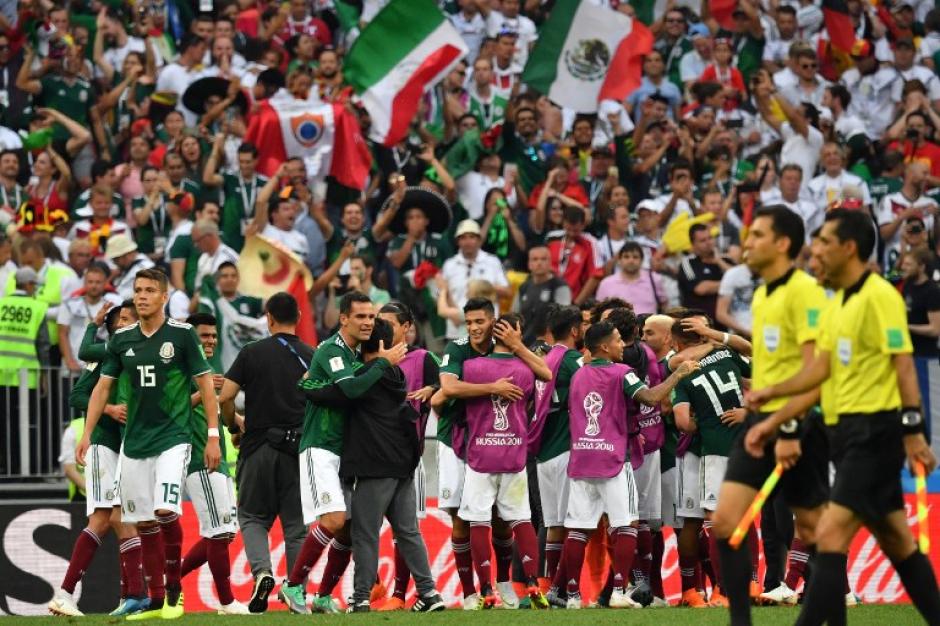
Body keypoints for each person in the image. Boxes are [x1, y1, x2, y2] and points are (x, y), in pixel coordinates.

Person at [748, 208, 940, 625]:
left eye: (824, 243)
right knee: (899, 542)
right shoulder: (835, 304)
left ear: (849, 248)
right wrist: (772, 403)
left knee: (828, 535)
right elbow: (820, 371)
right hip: (843, 433)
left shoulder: (880, 296)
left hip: (874, 432)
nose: (815, 251)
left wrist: (913, 430)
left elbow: (903, 365)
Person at [710, 206, 831, 625]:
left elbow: (815, 373)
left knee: (814, 532)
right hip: (760, 420)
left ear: (782, 243)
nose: (748, 243)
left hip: (800, 423)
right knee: (726, 522)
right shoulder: (762, 296)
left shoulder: (807, 293)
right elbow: (771, 364)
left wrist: (789, 427)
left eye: (758, 234)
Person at [76, 268, 220, 620]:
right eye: (138, 290)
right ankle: (156, 602)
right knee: (143, 523)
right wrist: (86, 434)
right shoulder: (122, 340)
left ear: (164, 297)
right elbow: (102, 389)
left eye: (149, 290)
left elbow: (205, 384)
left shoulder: (182, 335)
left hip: (173, 438)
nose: (141, 296)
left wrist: (213, 435)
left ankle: (174, 591)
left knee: (165, 511)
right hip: (134, 443)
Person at [301, 317, 445, 614]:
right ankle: (429, 593)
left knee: (364, 533)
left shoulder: (364, 376)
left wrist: (307, 383)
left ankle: (361, 597)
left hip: (375, 465)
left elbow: (335, 392)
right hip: (403, 464)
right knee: (408, 532)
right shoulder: (397, 375)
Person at [280, 291, 406, 614]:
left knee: (348, 529)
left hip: (346, 451)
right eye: (360, 316)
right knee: (334, 520)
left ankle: (323, 596)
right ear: (344, 318)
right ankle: (293, 585)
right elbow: (350, 389)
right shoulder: (331, 349)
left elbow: (344, 387)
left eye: (371, 316)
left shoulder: (355, 353)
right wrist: (383, 363)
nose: (368, 322)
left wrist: (311, 384)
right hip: (320, 446)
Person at [559, 321, 697, 609]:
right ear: (604, 346)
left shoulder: (579, 374)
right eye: (618, 340)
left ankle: (571, 596)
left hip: (582, 458)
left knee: (579, 528)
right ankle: (620, 591)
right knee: (628, 524)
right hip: (613, 460)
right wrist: (679, 374)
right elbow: (651, 397)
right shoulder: (622, 372)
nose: (623, 345)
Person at [217, 291, 313, 613]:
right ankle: (296, 592)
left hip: (258, 447)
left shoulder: (252, 352)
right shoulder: (312, 356)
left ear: (268, 318)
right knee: (296, 527)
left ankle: (262, 572)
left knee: (252, 517)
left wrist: (233, 425)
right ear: (298, 318)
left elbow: (225, 397)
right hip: (298, 450)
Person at [50, 301, 141, 617]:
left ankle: (130, 597)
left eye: (130, 319)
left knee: (126, 519)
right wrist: (109, 409)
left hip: (132, 447)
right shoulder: (106, 355)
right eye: (121, 319)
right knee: (106, 518)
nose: (124, 323)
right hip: (105, 445)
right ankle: (66, 593)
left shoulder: (143, 354)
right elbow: (77, 395)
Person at [456, 313, 551, 610]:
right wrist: (520, 348)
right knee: (521, 519)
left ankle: (486, 588)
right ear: (516, 333)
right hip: (514, 454)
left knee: (479, 520)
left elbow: (450, 393)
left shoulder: (471, 367)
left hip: (480, 455)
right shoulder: (526, 369)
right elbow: (546, 376)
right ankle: (533, 582)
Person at [671, 317, 751, 607]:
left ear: (676, 342)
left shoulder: (681, 370)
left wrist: (703, 425)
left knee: (712, 520)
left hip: (713, 449)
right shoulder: (726, 352)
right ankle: (749, 584)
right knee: (742, 518)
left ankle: (723, 591)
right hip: (744, 445)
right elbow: (755, 366)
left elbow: (683, 422)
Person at [178, 312, 249, 614]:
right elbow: (170, 412)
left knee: (224, 533)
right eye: (203, 336)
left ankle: (170, 579)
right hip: (198, 459)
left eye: (213, 336)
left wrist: (238, 421)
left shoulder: (206, 369)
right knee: (219, 532)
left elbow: (212, 412)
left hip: (216, 460)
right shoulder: (180, 369)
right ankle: (227, 602)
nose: (210, 341)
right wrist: (204, 391)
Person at [375, 302, 440, 611]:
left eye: (389, 323)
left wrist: (432, 389)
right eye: (380, 322)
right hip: (372, 456)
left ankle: (400, 594)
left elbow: (446, 381)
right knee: (357, 524)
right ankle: (372, 584)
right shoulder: (370, 357)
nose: (382, 328)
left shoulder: (423, 358)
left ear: (406, 327)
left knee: (405, 529)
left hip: (408, 457)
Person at [534, 306, 585, 605]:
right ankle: (564, 589)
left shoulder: (545, 359)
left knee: (554, 524)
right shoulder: (573, 360)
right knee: (573, 524)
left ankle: (553, 588)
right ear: (575, 331)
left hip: (544, 452)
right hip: (567, 448)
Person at [0, 267, 50, 476]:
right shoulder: (37, 307)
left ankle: (5, 466)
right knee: (25, 425)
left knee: (4, 424)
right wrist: (45, 376)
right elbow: (43, 345)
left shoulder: (1, 304)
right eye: (34, 285)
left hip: (2, 374)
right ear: (28, 285)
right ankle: (24, 468)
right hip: (26, 377)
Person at [901, 248, 940, 453]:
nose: (904, 267)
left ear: (922, 266)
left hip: (927, 357)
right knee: (912, 404)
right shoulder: (908, 286)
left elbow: (935, 329)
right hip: (910, 355)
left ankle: (935, 453)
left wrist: (907, 327)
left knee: (930, 406)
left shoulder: (932, 291)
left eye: (909, 264)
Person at [56, 263, 122, 372]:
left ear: (105, 283)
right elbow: (62, 334)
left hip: (100, 368)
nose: (94, 286)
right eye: (90, 282)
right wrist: (69, 361)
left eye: (98, 282)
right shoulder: (69, 305)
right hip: (72, 368)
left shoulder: (111, 307)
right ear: (84, 283)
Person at [513, 245, 572, 346]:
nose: (539, 263)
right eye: (535, 259)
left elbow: (565, 318)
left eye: (543, 259)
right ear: (529, 264)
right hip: (523, 344)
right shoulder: (523, 287)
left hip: (549, 346)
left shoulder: (559, 286)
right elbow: (514, 316)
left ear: (550, 262)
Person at [595, 242, 666, 316]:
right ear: (619, 260)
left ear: (642, 260)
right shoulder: (606, 284)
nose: (631, 260)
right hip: (618, 323)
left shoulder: (655, 279)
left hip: (650, 323)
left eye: (635, 257)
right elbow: (599, 312)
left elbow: (664, 305)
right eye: (626, 257)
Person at [678, 223, 730, 323]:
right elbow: (701, 288)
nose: (708, 243)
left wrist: (719, 262)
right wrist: (731, 284)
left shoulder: (725, 260)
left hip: (726, 323)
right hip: (698, 323)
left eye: (710, 238)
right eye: (703, 240)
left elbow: (742, 279)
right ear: (693, 244)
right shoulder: (688, 263)